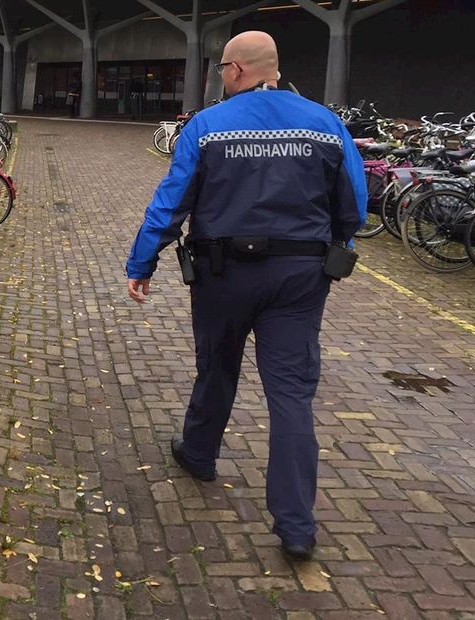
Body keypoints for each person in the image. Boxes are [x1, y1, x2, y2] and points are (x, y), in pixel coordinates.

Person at [123, 31, 366, 562]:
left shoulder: (207, 127)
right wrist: (338, 244)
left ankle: (200, 453)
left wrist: (143, 262)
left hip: (223, 273)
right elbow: (354, 202)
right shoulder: (326, 123)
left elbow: (172, 202)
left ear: (235, 70)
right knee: (292, 394)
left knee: (218, 366)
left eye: (221, 71)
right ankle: (297, 525)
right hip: (300, 277)